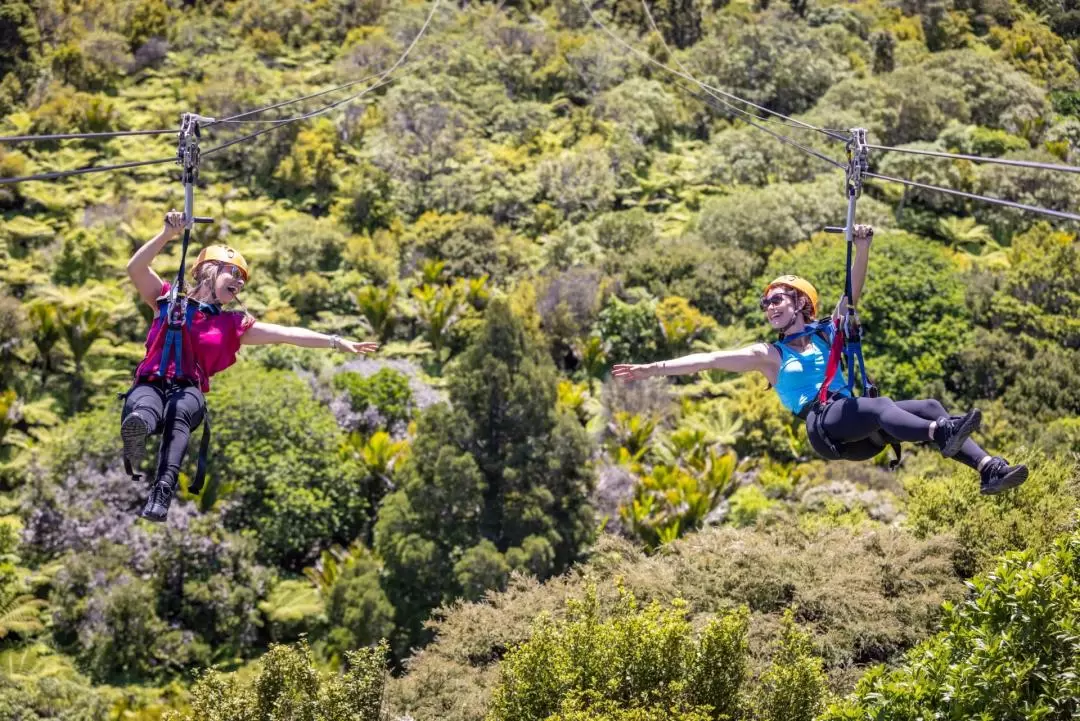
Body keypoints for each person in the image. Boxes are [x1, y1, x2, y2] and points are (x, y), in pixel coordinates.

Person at [612, 224, 1028, 495]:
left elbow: (852, 293)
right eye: (765, 303)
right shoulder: (768, 356)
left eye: (776, 300)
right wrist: (653, 370)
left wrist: (862, 247)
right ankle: (941, 431)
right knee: (889, 408)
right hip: (826, 427)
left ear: (800, 305)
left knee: (931, 405)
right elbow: (709, 360)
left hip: (859, 426)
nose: (769, 307)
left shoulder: (827, 333)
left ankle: (988, 468)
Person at [121, 209, 379, 522]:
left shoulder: (234, 324)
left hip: (187, 390)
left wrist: (336, 341)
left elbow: (287, 334)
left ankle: (162, 491)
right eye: (234, 274)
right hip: (151, 381)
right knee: (144, 406)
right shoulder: (166, 298)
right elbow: (136, 268)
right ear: (209, 270)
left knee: (179, 413)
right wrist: (167, 235)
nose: (239, 283)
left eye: (242, 281)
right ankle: (139, 431)